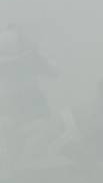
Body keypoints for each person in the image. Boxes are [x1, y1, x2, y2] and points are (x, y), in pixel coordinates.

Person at [0, 25, 59, 164]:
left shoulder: (29, 59)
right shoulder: (27, 58)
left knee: (31, 135)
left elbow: (54, 71)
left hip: (29, 103)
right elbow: (53, 71)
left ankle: (20, 165)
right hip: (22, 104)